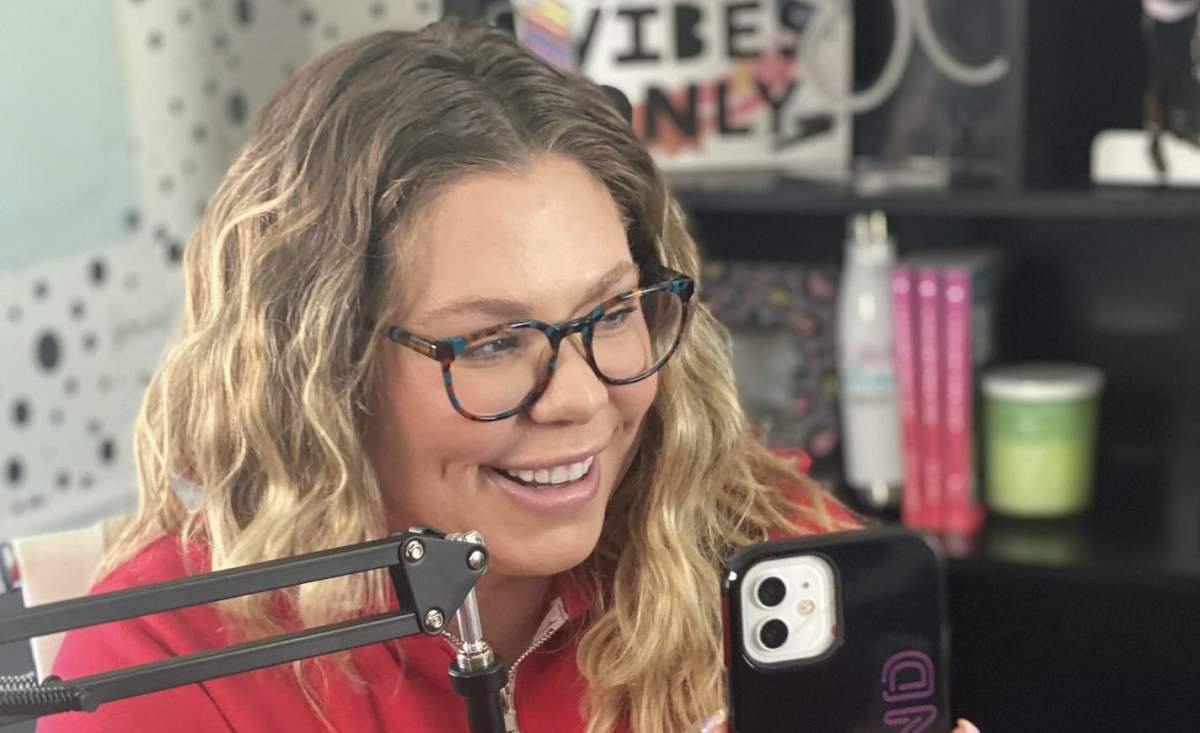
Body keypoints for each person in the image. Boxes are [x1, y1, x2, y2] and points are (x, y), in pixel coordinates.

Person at [41, 18, 974, 733]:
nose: (579, 399)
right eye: (490, 343)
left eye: (611, 312)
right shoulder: (164, 660)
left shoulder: (768, 547)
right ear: (325, 366)